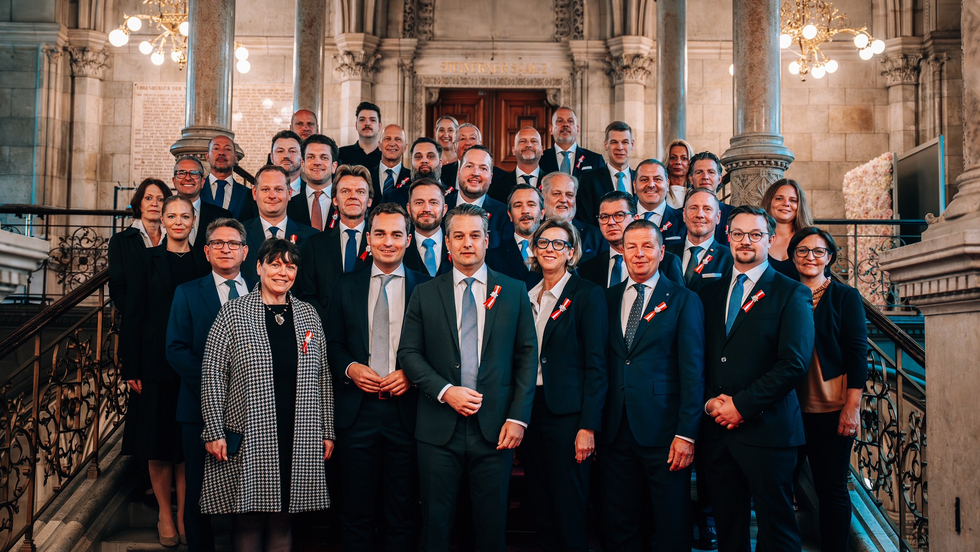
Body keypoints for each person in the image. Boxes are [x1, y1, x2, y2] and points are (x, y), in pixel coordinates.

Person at [398, 203, 537, 552]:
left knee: (491, 531)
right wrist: (446, 391)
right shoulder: (426, 292)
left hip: (496, 431)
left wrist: (518, 417)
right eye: (458, 236)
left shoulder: (514, 291)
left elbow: (526, 358)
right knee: (436, 529)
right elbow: (409, 355)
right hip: (437, 430)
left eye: (475, 235)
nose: (467, 243)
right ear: (447, 242)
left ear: (487, 240)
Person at [200, 239, 335, 551]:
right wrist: (213, 429)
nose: (283, 272)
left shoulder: (308, 315)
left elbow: (323, 377)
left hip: (298, 433)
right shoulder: (234, 312)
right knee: (249, 518)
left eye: (290, 266)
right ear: (259, 267)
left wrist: (327, 430)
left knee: (283, 519)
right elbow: (212, 373)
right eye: (275, 264)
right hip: (248, 433)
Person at [698, 205, 815, 552]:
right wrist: (710, 403)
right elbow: (697, 358)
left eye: (754, 234)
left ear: (771, 238)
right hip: (717, 432)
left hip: (769, 432)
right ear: (727, 237)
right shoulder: (708, 293)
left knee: (777, 532)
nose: (745, 241)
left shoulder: (791, 292)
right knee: (728, 533)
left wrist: (741, 406)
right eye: (738, 234)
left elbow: (793, 364)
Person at [326, 203, 430, 551]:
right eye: (381, 234)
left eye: (397, 234)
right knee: (355, 512)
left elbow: (440, 348)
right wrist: (351, 368)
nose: (388, 241)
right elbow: (334, 342)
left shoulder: (427, 288)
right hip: (358, 414)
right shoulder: (345, 285)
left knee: (401, 513)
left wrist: (413, 375)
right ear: (368, 239)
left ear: (408, 239)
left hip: (408, 413)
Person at [599, 219, 705, 552]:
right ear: (622, 251)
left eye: (647, 246)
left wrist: (686, 433)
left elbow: (693, 371)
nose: (639, 253)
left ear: (662, 252)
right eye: (631, 246)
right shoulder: (607, 298)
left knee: (672, 522)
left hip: (665, 432)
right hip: (615, 430)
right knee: (621, 523)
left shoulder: (684, 300)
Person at [123, 195, 211, 547]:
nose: (177, 221)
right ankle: (164, 512)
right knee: (157, 444)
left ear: (194, 221)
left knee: (186, 446)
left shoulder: (204, 262)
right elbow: (133, 314)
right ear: (162, 219)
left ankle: (185, 512)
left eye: (184, 216)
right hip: (154, 363)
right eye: (170, 215)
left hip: (193, 365)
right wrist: (131, 364)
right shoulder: (146, 259)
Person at [166, 218, 254, 552]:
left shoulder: (263, 293)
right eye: (218, 243)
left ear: (245, 252)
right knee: (199, 494)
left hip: (251, 413)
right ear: (206, 251)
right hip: (198, 411)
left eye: (233, 243)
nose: (226, 249)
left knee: (246, 492)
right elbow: (175, 349)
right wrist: (218, 383)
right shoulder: (187, 293)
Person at [521, 218, 608, 552]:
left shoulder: (587, 294)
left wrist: (588, 426)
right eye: (543, 242)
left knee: (568, 504)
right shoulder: (526, 295)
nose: (550, 249)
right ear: (534, 249)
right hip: (532, 411)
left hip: (569, 416)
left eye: (559, 243)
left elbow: (597, 364)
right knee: (540, 501)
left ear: (571, 252)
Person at [790, 227, 867, 552]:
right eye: (803, 251)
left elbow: (857, 352)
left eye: (818, 251)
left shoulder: (845, 296)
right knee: (779, 487)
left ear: (830, 257)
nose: (810, 257)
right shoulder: (785, 293)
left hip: (833, 409)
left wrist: (852, 407)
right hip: (789, 410)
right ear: (793, 256)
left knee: (832, 489)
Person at [296, 164, 374, 321]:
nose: (353, 196)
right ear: (335, 200)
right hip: (327, 333)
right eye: (345, 191)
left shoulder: (382, 244)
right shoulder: (313, 245)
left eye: (360, 192)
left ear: (369, 201)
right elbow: (307, 295)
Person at [576, 191, 684, 288]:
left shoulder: (666, 262)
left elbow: (679, 301)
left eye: (619, 215)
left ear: (635, 219)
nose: (611, 222)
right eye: (604, 217)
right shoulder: (588, 268)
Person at [241, 165, 317, 281]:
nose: (272, 195)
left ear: (289, 193)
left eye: (279, 189)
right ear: (255, 193)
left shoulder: (311, 237)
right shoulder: (239, 235)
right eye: (265, 189)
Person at [109, 177, 172, 314]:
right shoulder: (120, 241)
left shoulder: (175, 239)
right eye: (148, 198)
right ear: (139, 204)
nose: (154, 204)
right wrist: (132, 312)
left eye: (160, 199)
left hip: (169, 319)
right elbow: (117, 286)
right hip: (136, 320)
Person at [665, 188, 734, 293]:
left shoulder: (729, 258)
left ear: (718, 217)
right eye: (693, 208)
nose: (699, 215)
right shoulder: (666, 254)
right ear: (684, 214)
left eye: (707, 209)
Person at [446, 145, 512, 249]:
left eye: (483, 168)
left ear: (491, 178)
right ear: (458, 173)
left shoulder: (504, 215)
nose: (475, 173)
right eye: (469, 166)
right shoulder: (439, 208)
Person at [577, 121, 636, 226]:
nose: (620, 147)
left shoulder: (641, 179)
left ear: (632, 145)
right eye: (614, 142)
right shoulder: (588, 180)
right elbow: (586, 222)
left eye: (625, 142)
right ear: (606, 145)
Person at [486, 183, 544, 287]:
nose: (525, 211)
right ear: (510, 215)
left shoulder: (556, 252)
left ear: (542, 213)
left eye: (531, 204)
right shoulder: (493, 256)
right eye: (518, 205)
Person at [172, 155, 233, 253]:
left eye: (194, 173)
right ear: (174, 181)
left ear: (202, 182)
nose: (188, 178)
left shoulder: (222, 216)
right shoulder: (160, 213)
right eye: (181, 173)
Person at [540, 171, 604, 262]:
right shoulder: (533, 233)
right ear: (544, 196)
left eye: (569, 195)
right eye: (556, 194)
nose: (563, 200)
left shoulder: (596, 237)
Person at [763, 179, 814, 280]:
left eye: (793, 200)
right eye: (779, 199)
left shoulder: (812, 240)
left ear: (799, 206)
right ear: (769, 202)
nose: (786, 203)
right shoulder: (757, 239)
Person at [288, 134, 340, 231]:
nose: (317, 162)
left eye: (324, 157)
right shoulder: (289, 205)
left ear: (334, 166)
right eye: (311, 157)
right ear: (303, 164)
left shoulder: (344, 203)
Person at [537, 106, 605, 178]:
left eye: (570, 121)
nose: (565, 124)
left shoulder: (595, 160)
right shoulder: (540, 159)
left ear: (577, 129)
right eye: (560, 121)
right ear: (551, 129)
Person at [202, 135, 257, 221]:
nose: (221, 153)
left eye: (228, 149)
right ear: (207, 156)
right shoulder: (197, 191)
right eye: (216, 148)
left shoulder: (247, 195)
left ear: (235, 158)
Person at [403, 178, 451, 277]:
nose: (426, 209)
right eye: (419, 203)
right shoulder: (400, 248)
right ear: (409, 209)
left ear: (444, 209)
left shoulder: (458, 246)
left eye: (433, 202)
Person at [633, 158, 685, 243]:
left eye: (657, 179)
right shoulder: (622, 219)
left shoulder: (683, 221)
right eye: (644, 180)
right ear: (635, 186)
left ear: (667, 185)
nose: (651, 185)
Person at [488, 127, 544, 203]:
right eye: (522, 141)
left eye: (534, 141)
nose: (528, 145)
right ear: (513, 151)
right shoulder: (496, 186)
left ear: (542, 150)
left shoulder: (552, 183)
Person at [688, 151, 732, 246]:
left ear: (719, 179)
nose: (705, 177)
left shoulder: (733, 215)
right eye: (699, 172)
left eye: (711, 172)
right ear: (691, 179)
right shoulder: (679, 217)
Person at [371, 124, 412, 203]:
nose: (392, 143)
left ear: (405, 147)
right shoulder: (366, 175)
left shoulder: (412, 179)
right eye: (387, 139)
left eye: (398, 139)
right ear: (379, 145)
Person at [339, 101, 383, 168]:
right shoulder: (341, 154)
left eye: (372, 120)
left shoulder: (385, 155)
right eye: (362, 119)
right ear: (356, 125)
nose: (367, 123)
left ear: (379, 126)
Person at [270, 130, 304, 196]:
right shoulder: (257, 194)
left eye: (292, 151)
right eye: (280, 151)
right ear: (271, 157)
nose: (286, 156)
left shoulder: (313, 194)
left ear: (302, 157)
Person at [664, 139, 694, 210]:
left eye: (684, 158)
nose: (678, 162)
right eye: (673, 157)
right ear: (667, 160)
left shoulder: (695, 192)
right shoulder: (660, 190)